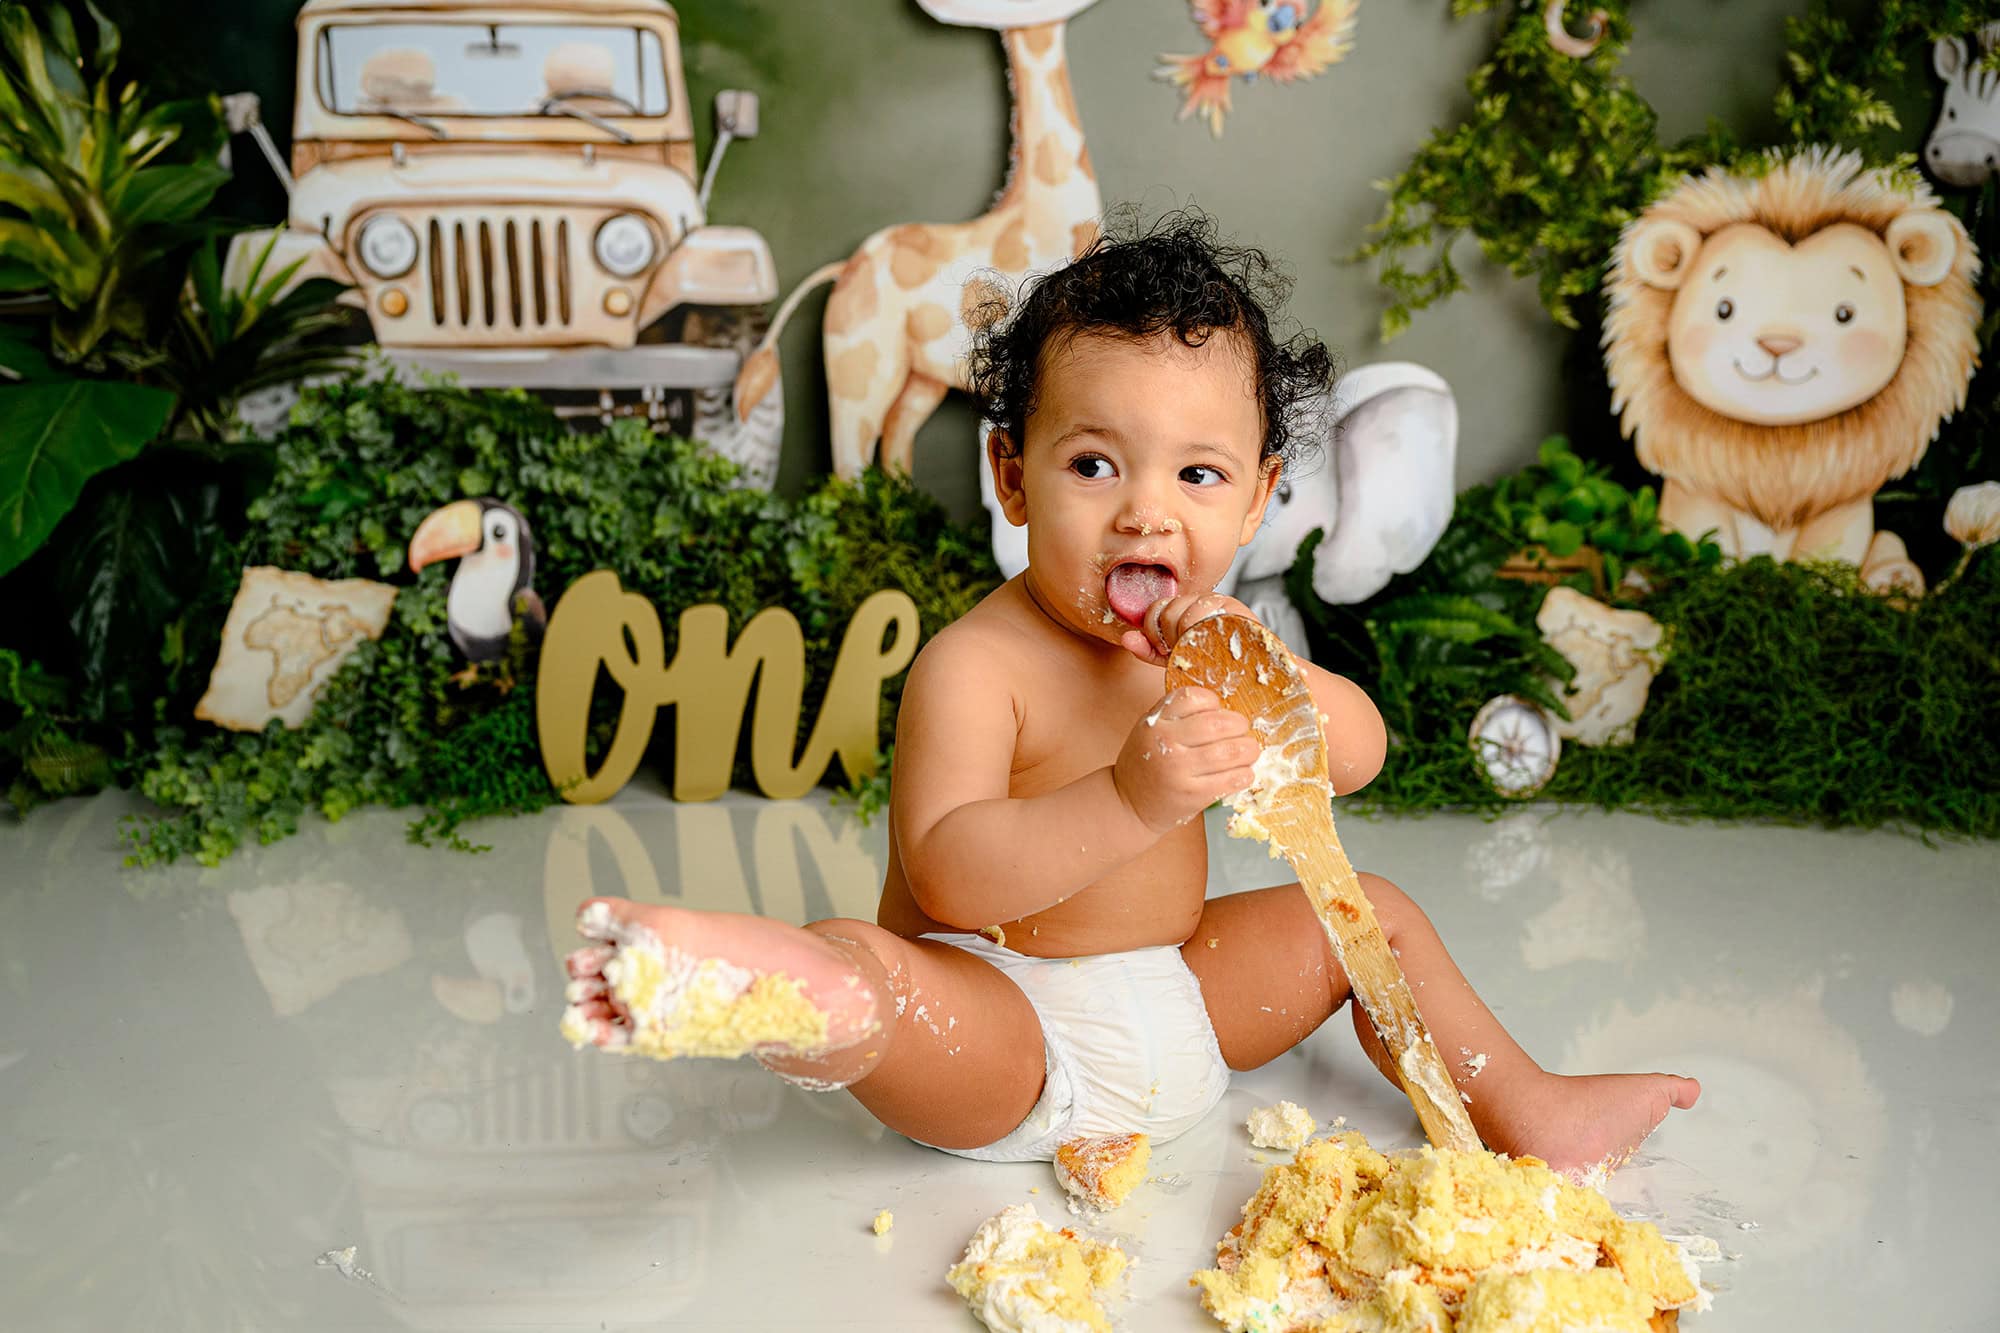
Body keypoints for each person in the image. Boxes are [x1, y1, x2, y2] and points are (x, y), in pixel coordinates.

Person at [563, 211, 1699, 1174]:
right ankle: (740, 984)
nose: (1145, 513)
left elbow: (1355, 757)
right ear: (1013, 473)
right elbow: (949, 872)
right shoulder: (976, 664)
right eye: (1093, 464)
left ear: (1255, 502)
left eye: (1196, 474)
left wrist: (1270, 671)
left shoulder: (1216, 646)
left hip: (1182, 1001)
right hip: (1000, 1027)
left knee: (1375, 912)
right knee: (875, 971)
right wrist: (1128, 800)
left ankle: (1525, 1106)